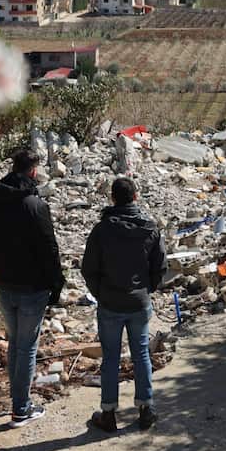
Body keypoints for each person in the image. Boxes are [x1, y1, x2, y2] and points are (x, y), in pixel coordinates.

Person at [0, 149, 64, 427]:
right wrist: (57, 284)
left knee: (15, 343)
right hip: (32, 287)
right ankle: (21, 409)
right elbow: (50, 250)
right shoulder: (35, 205)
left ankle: (18, 402)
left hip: (4, 284)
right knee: (26, 347)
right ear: (34, 171)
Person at [81, 176, 166, 432]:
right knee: (141, 353)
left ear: (113, 198)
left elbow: (89, 268)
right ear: (135, 197)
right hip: (138, 303)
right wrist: (145, 289)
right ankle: (146, 409)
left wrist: (100, 292)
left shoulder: (102, 229)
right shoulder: (150, 228)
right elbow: (160, 266)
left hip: (110, 303)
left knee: (110, 358)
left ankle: (108, 413)